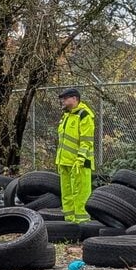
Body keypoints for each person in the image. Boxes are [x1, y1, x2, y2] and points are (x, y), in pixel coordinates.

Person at [55, 87, 95, 222]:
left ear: (75, 99)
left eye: (66, 99)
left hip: (79, 164)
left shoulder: (84, 115)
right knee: (67, 194)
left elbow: (86, 141)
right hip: (65, 162)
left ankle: (82, 224)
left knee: (80, 195)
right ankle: (69, 222)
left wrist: (80, 159)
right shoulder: (66, 116)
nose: (63, 101)